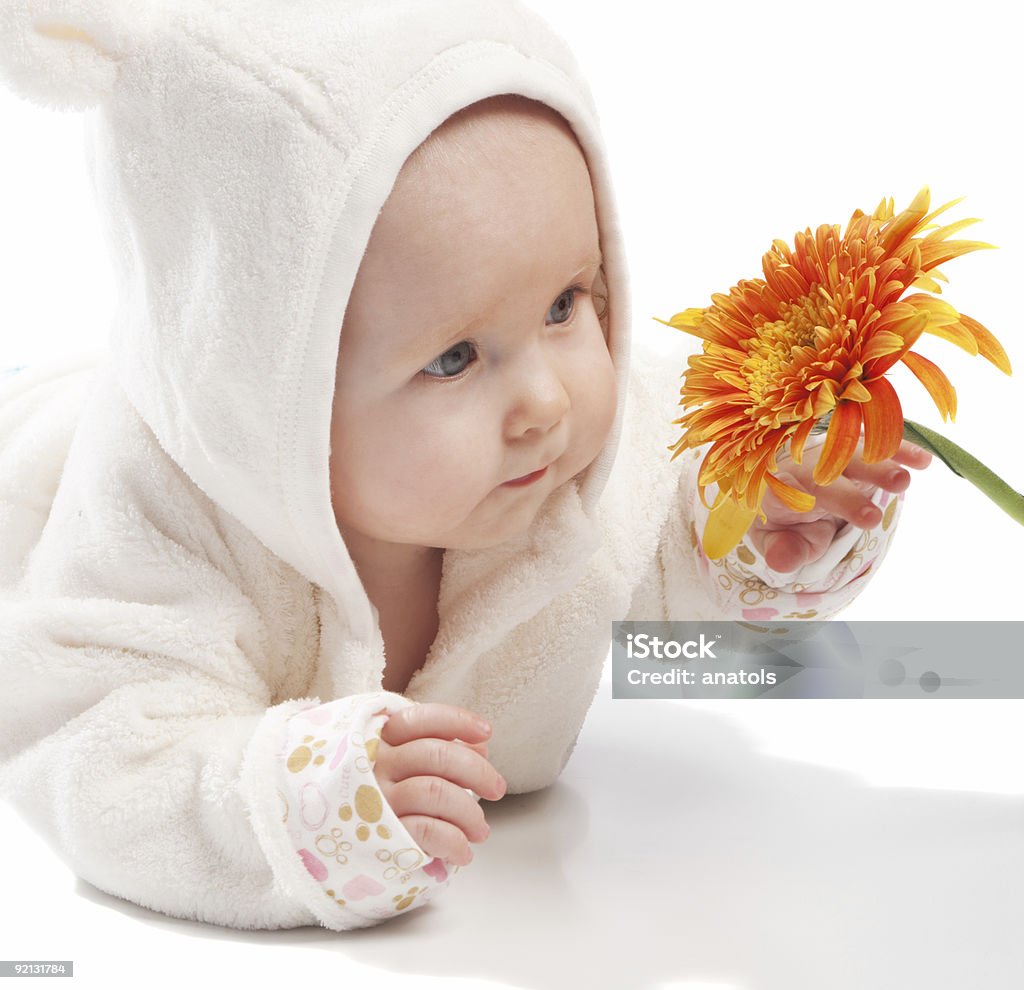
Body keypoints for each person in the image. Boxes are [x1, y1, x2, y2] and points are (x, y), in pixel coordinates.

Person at [0, 0, 929, 932]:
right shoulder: (157, 523)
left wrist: (759, 521)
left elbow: (661, 550)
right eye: (454, 359)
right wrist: (297, 805)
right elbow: (91, 746)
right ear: (264, 389)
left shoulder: (573, 450)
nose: (548, 404)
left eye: (568, 301)